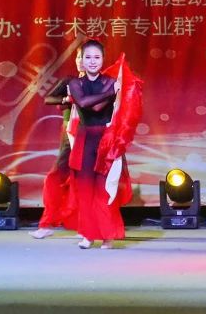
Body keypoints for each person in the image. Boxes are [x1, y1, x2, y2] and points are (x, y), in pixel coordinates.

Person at [65, 39, 141, 250]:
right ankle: (88, 235)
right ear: (81, 60)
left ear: (103, 59)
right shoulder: (76, 84)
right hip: (84, 140)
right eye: (88, 57)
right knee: (85, 188)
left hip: (106, 140)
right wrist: (111, 92)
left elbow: (98, 108)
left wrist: (114, 90)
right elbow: (85, 104)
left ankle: (108, 236)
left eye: (97, 57)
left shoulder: (110, 81)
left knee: (104, 189)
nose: (92, 61)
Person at [32, 49, 82, 239]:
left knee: (87, 180)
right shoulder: (70, 81)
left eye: (88, 57)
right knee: (56, 176)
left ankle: (87, 226)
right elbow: (49, 98)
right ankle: (47, 223)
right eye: (79, 57)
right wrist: (67, 100)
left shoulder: (100, 83)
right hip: (70, 133)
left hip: (92, 133)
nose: (82, 61)